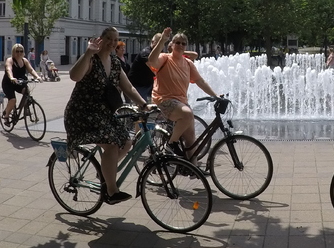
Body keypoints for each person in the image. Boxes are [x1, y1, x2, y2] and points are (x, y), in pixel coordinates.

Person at [64, 27, 147, 204]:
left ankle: (105, 170)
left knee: (127, 141)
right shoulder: (91, 59)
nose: (112, 42)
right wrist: (87, 53)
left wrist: (143, 104)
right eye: (108, 38)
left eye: (115, 39)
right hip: (82, 113)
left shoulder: (115, 62)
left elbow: (129, 88)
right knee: (111, 144)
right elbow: (74, 76)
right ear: (100, 39)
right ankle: (111, 191)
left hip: (103, 114)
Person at [148, 28, 219, 159]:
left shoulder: (188, 63)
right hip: (163, 99)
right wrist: (163, 39)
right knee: (187, 114)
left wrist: (215, 96)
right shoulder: (165, 58)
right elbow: (152, 60)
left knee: (191, 138)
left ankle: (193, 169)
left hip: (181, 102)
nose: (180, 45)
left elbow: (200, 81)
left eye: (183, 43)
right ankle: (171, 143)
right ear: (172, 44)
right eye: (178, 42)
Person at [1, 44, 41, 125]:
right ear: (13, 52)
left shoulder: (24, 61)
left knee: (27, 92)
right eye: (17, 51)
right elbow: (8, 69)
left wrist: (37, 77)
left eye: (21, 51)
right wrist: (11, 77)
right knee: (12, 100)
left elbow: (31, 69)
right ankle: (6, 116)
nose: (19, 53)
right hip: (9, 83)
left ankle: (26, 109)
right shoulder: (10, 60)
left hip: (20, 82)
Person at [127, 33, 161, 103]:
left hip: (148, 83)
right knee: (142, 105)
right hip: (139, 84)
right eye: (158, 44)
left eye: (162, 44)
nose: (160, 47)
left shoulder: (158, 53)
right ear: (152, 42)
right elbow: (152, 66)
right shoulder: (146, 52)